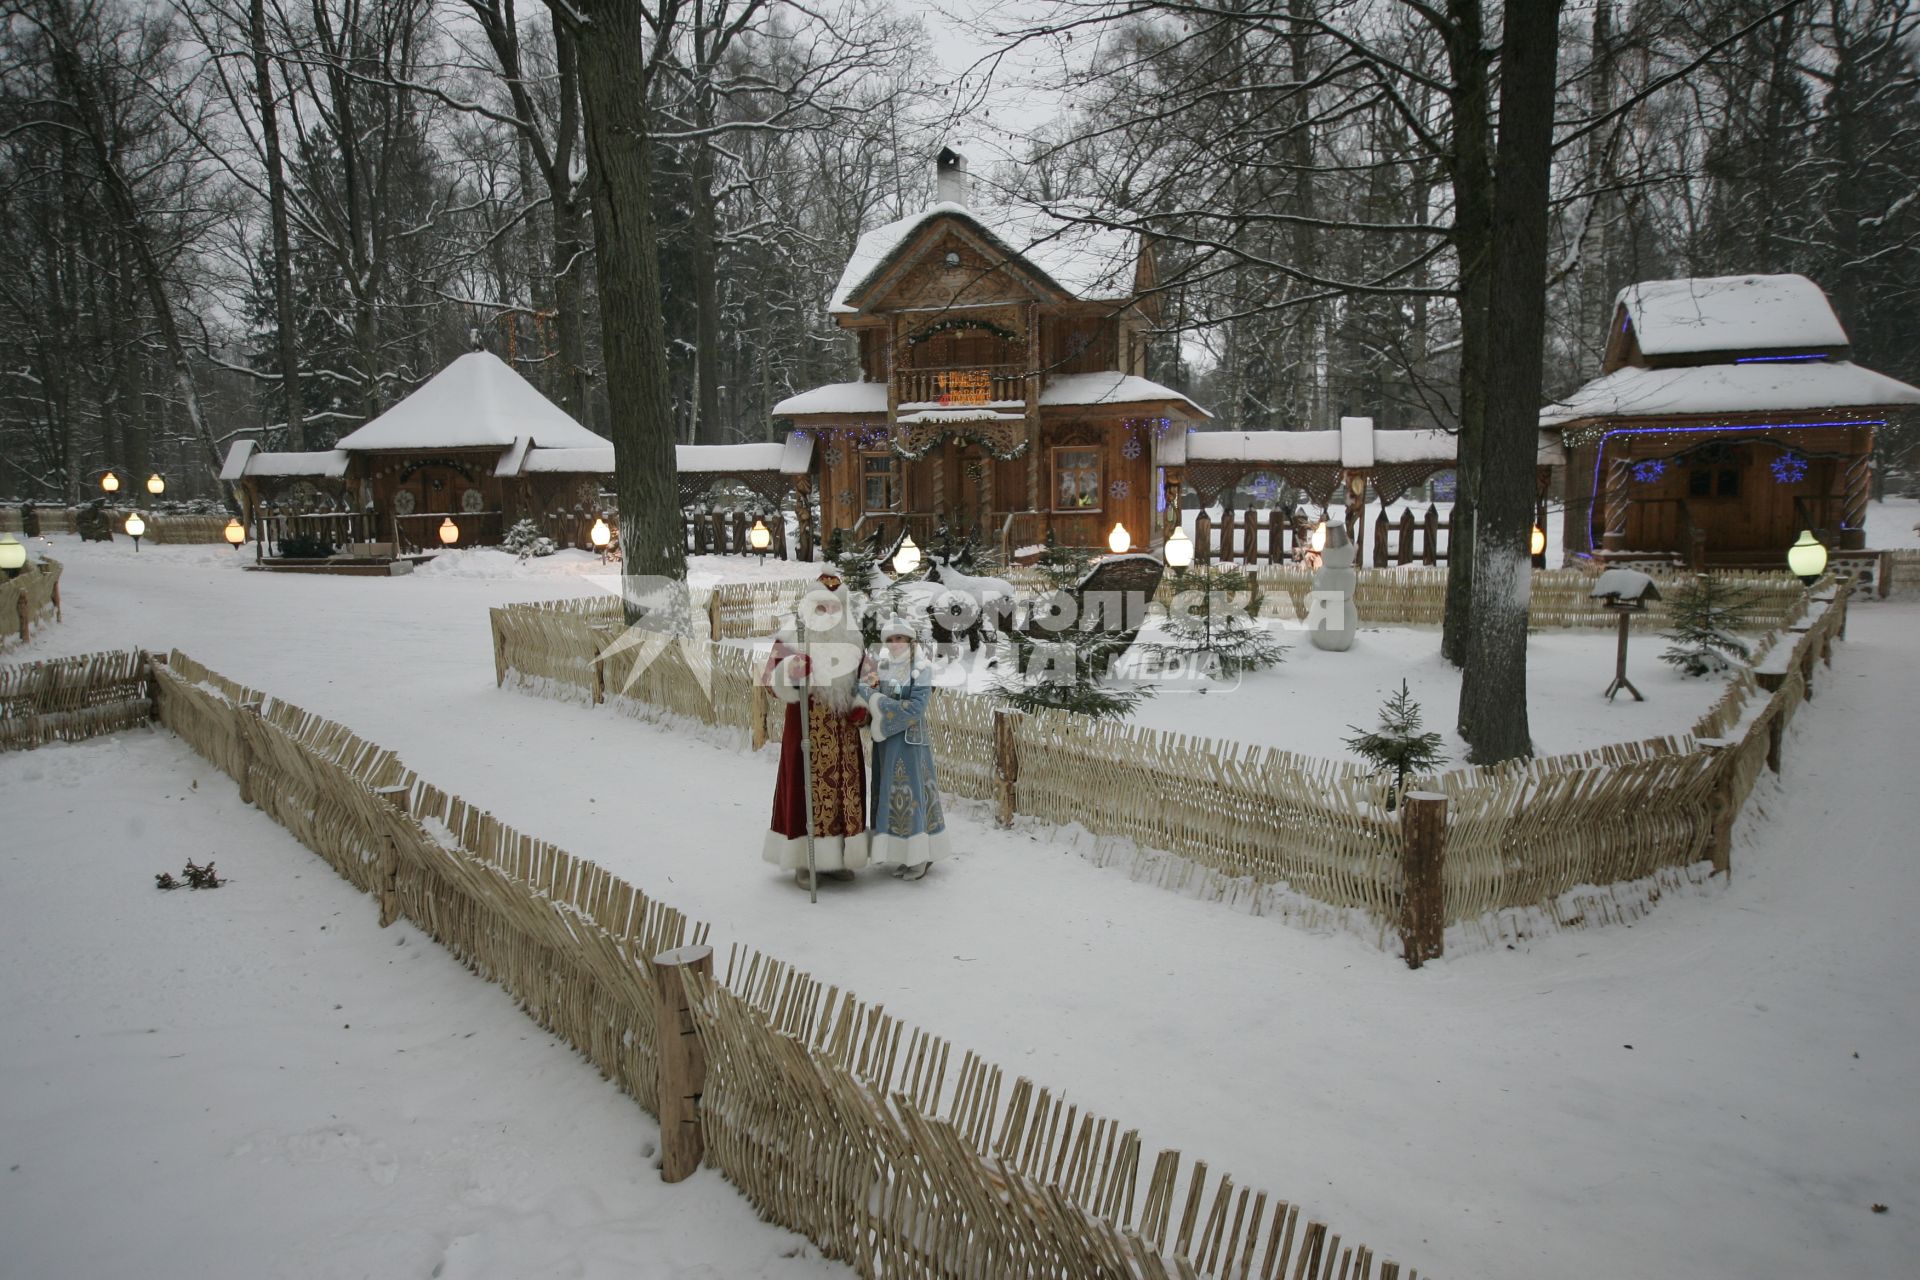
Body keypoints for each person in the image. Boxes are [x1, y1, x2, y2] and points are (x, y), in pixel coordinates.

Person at [762, 570, 876, 888]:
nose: (829, 614)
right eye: (822, 607)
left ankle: (837, 858)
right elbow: (770, 681)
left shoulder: (853, 639)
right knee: (805, 791)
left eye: (835, 608)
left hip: (843, 735)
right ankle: (804, 859)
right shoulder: (793, 635)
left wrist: (861, 706)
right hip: (805, 731)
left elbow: (869, 680)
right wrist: (792, 671)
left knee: (845, 793)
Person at [861, 618, 951, 880]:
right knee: (890, 794)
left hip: (910, 742)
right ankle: (904, 854)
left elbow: (916, 708)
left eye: (899, 638)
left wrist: (878, 701)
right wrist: (874, 697)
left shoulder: (920, 668)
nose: (894, 644)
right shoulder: (884, 666)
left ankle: (921, 856)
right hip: (886, 743)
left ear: (910, 641)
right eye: (890, 639)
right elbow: (864, 690)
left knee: (912, 795)